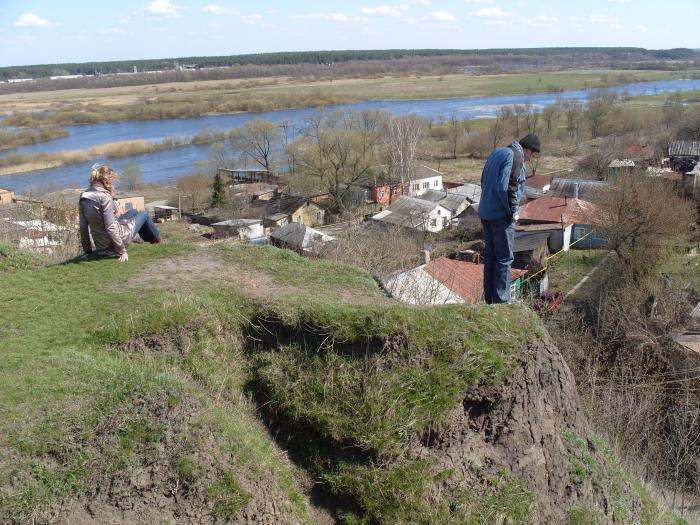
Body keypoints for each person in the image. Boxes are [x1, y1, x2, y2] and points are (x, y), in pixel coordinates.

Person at [478, 133, 540, 304]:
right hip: (500, 216)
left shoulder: (498, 152)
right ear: (527, 150)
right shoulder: (516, 156)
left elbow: (483, 180)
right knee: (504, 258)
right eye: (532, 155)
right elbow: (507, 187)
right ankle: (502, 300)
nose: (530, 159)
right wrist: (513, 212)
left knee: (490, 257)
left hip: (485, 211)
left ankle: (490, 298)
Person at [79, 164, 162, 262]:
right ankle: (157, 242)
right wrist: (122, 251)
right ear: (107, 180)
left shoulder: (83, 196)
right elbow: (110, 227)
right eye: (112, 180)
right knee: (144, 215)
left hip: (101, 245)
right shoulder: (104, 196)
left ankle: (150, 241)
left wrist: (88, 251)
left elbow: (83, 227)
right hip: (114, 243)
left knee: (133, 211)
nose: (113, 182)